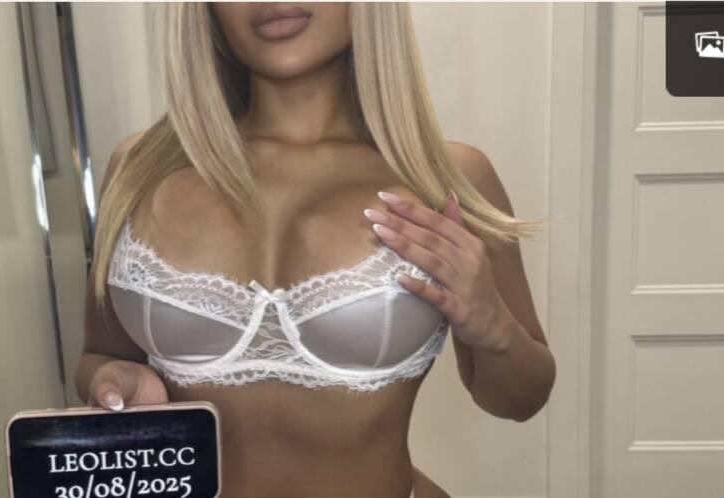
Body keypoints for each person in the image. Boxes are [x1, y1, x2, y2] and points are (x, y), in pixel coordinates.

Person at [75, 3, 556, 498]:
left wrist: (493, 328)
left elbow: (520, 400)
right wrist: (115, 382)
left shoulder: (448, 179)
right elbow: (100, 356)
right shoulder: (139, 169)